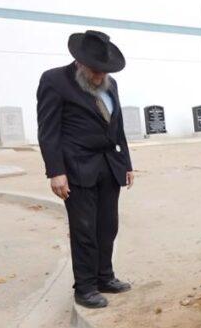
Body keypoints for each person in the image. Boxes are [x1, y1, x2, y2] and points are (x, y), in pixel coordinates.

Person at [36, 30, 134, 309]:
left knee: (108, 226)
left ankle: (105, 277)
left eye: (104, 71)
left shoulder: (109, 84)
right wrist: (55, 172)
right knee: (84, 229)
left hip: (108, 166)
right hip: (76, 169)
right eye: (95, 71)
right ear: (79, 63)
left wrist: (126, 163)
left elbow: (118, 126)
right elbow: (49, 131)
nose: (100, 77)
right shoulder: (54, 81)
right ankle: (86, 287)